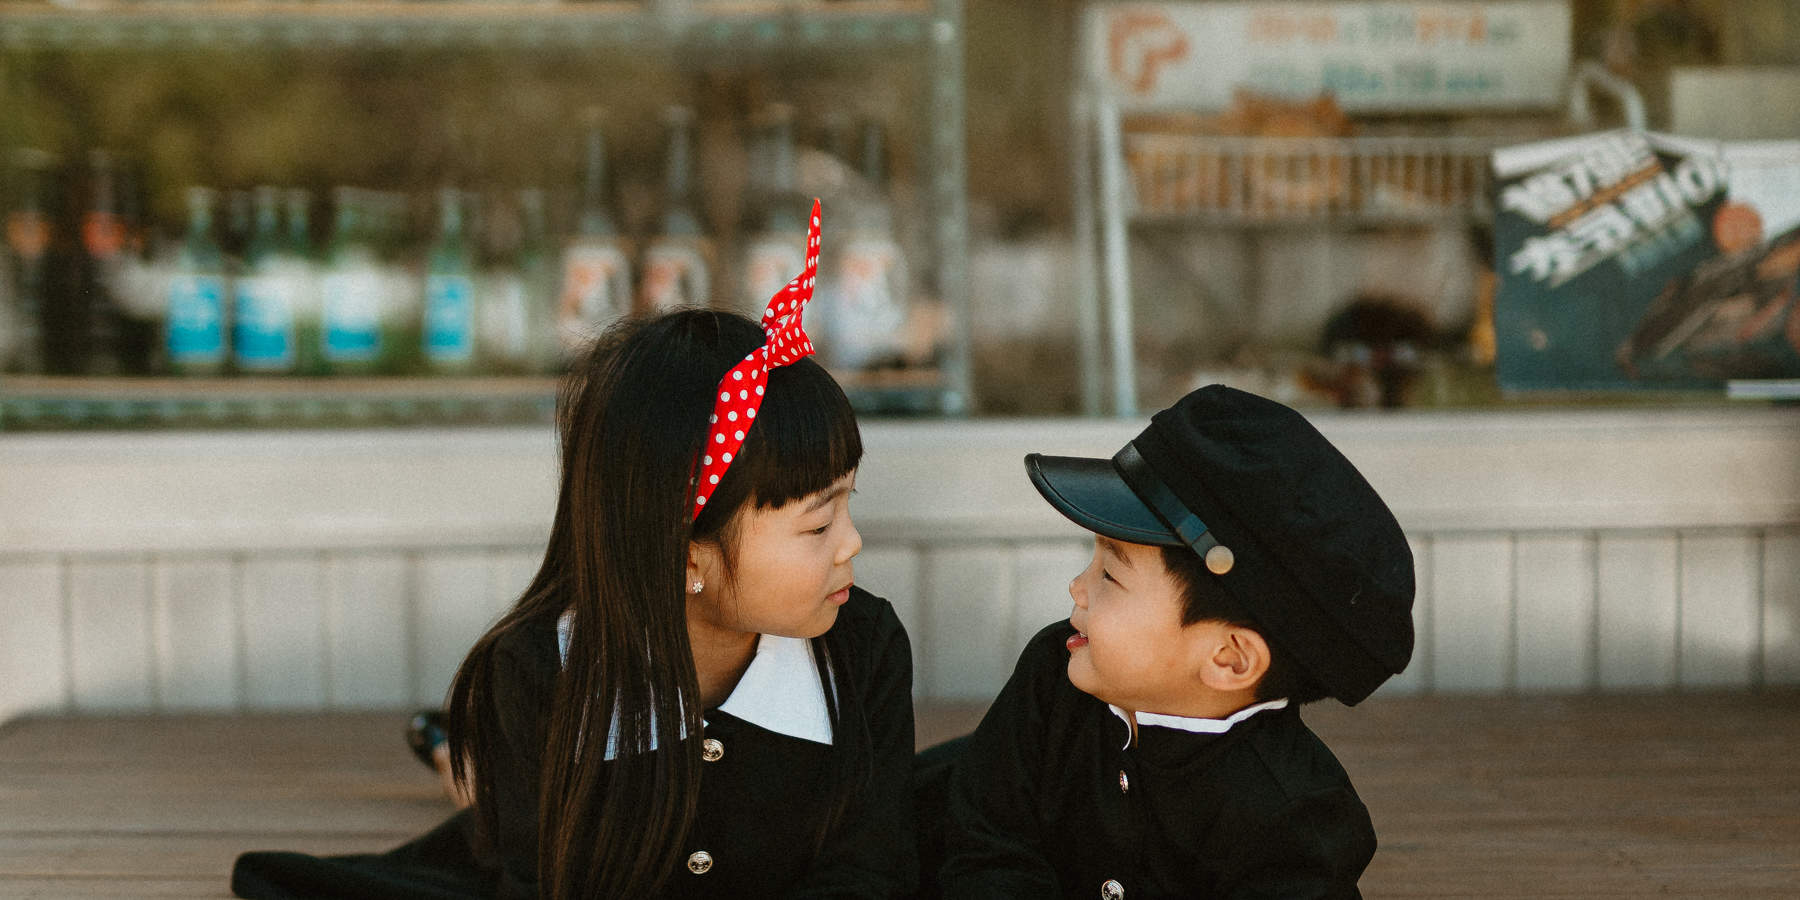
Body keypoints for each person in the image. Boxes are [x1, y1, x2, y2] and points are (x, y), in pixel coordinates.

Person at [233, 202, 919, 899]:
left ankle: (455, 750)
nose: (852, 543)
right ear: (684, 556)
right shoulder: (540, 674)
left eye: (848, 504)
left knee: (948, 783)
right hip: (541, 807)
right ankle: (456, 750)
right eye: (816, 524)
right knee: (472, 827)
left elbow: (864, 872)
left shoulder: (863, 649)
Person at [933, 384, 1415, 899]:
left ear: (1229, 659)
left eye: (1111, 576)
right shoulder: (1055, 674)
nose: (1077, 587)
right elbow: (986, 845)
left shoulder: (1292, 821)